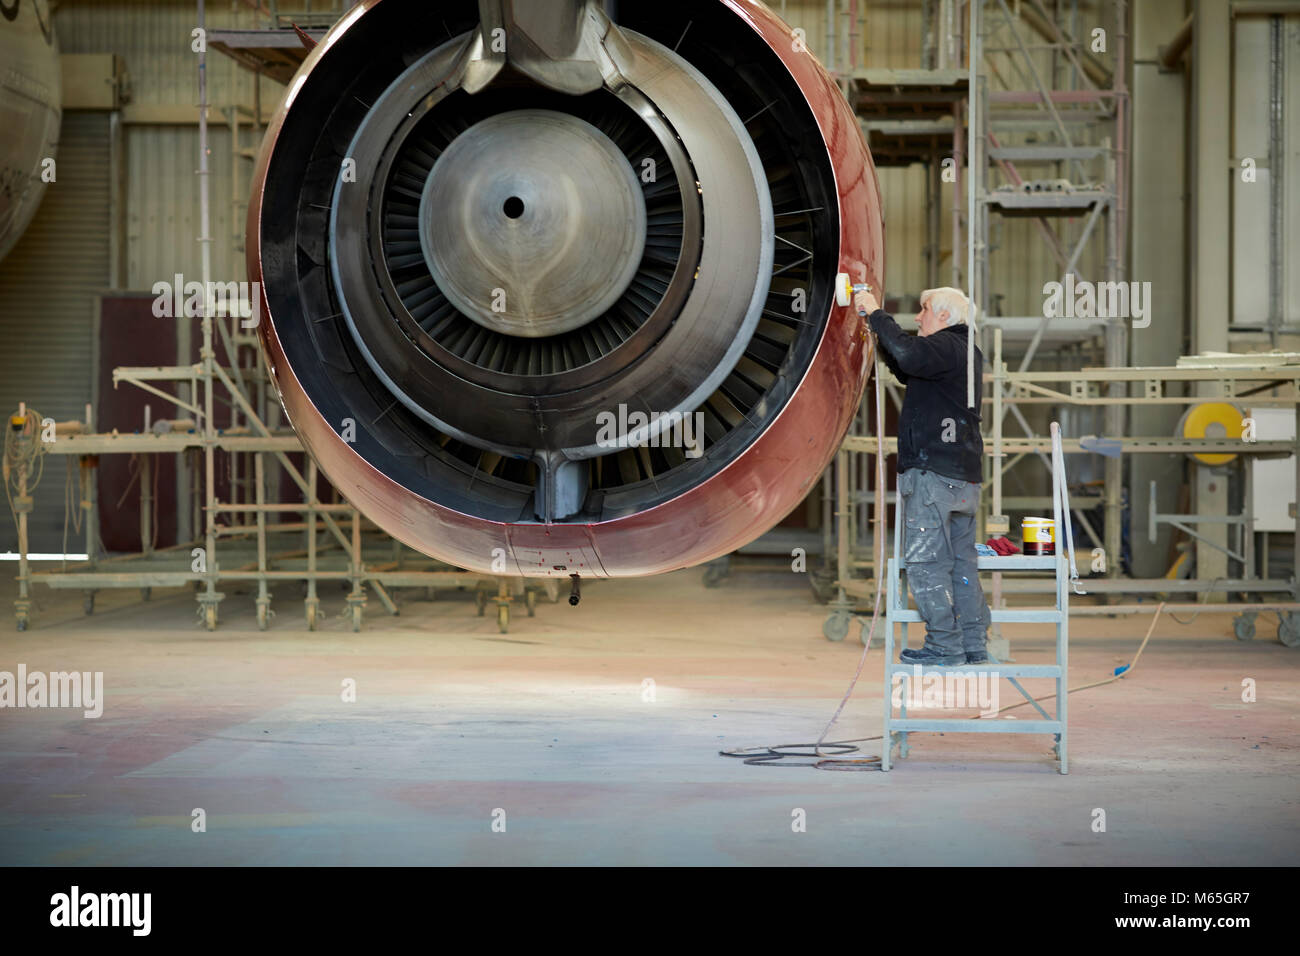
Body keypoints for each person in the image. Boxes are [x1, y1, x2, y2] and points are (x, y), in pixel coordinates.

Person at [854, 286, 991, 666]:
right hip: (963, 478)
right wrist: (877, 333)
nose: (918, 317)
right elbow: (906, 364)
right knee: (961, 563)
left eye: (924, 309)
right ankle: (973, 644)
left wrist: (877, 314)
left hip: (933, 476)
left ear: (945, 316)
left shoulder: (945, 347)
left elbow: (909, 353)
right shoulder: (967, 353)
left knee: (925, 563)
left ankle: (944, 647)